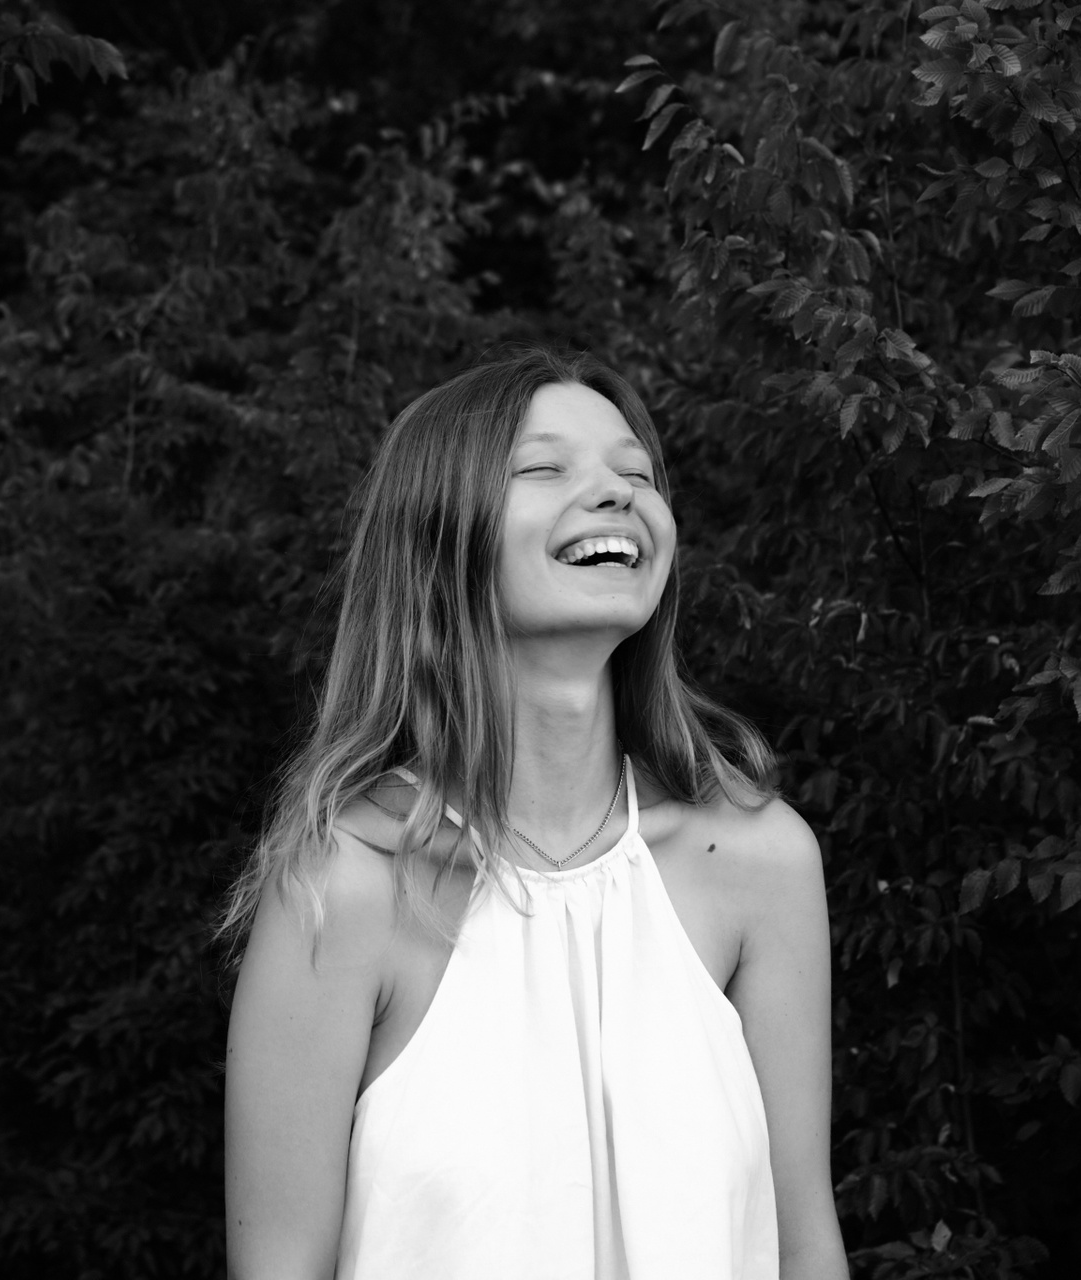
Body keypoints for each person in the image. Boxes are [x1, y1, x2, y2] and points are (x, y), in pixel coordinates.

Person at [219, 346, 848, 1280]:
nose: (617, 493)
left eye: (637, 474)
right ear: (442, 537)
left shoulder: (761, 862)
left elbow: (805, 1246)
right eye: (545, 469)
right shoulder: (341, 887)